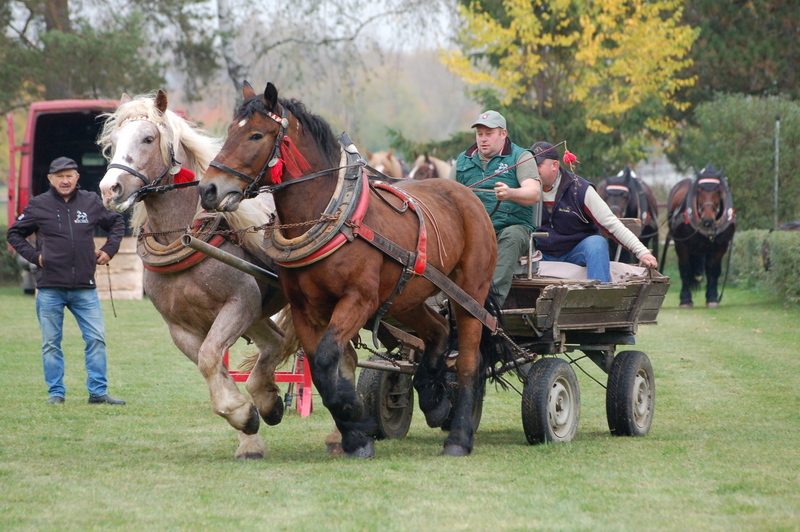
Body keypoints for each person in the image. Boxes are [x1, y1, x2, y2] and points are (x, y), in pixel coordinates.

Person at [7, 157, 127, 405]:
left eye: (69, 175)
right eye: (60, 176)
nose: (65, 180)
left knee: (96, 339)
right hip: (50, 288)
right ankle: (56, 393)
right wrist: (35, 257)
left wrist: (110, 249)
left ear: (77, 178)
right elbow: (14, 233)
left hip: (85, 288)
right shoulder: (38, 205)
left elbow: (116, 221)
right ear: (50, 179)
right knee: (51, 344)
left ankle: (98, 392)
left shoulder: (91, 201)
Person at [530, 141, 658, 281]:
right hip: (540, 253)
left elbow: (611, 223)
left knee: (597, 243)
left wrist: (642, 252)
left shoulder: (580, 189)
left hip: (575, 252)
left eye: (538, 165)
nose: (532, 170)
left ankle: (599, 290)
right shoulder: (525, 190)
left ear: (554, 165)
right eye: (530, 165)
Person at [451, 110, 541, 305]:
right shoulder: (463, 160)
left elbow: (534, 193)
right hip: (471, 231)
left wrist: (510, 193)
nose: (483, 139)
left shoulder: (521, 156)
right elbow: (444, 196)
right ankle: (444, 302)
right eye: (479, 134)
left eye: (489, 133)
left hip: (510, 229)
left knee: (512, 236)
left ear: (503, 134)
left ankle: (488, 307)